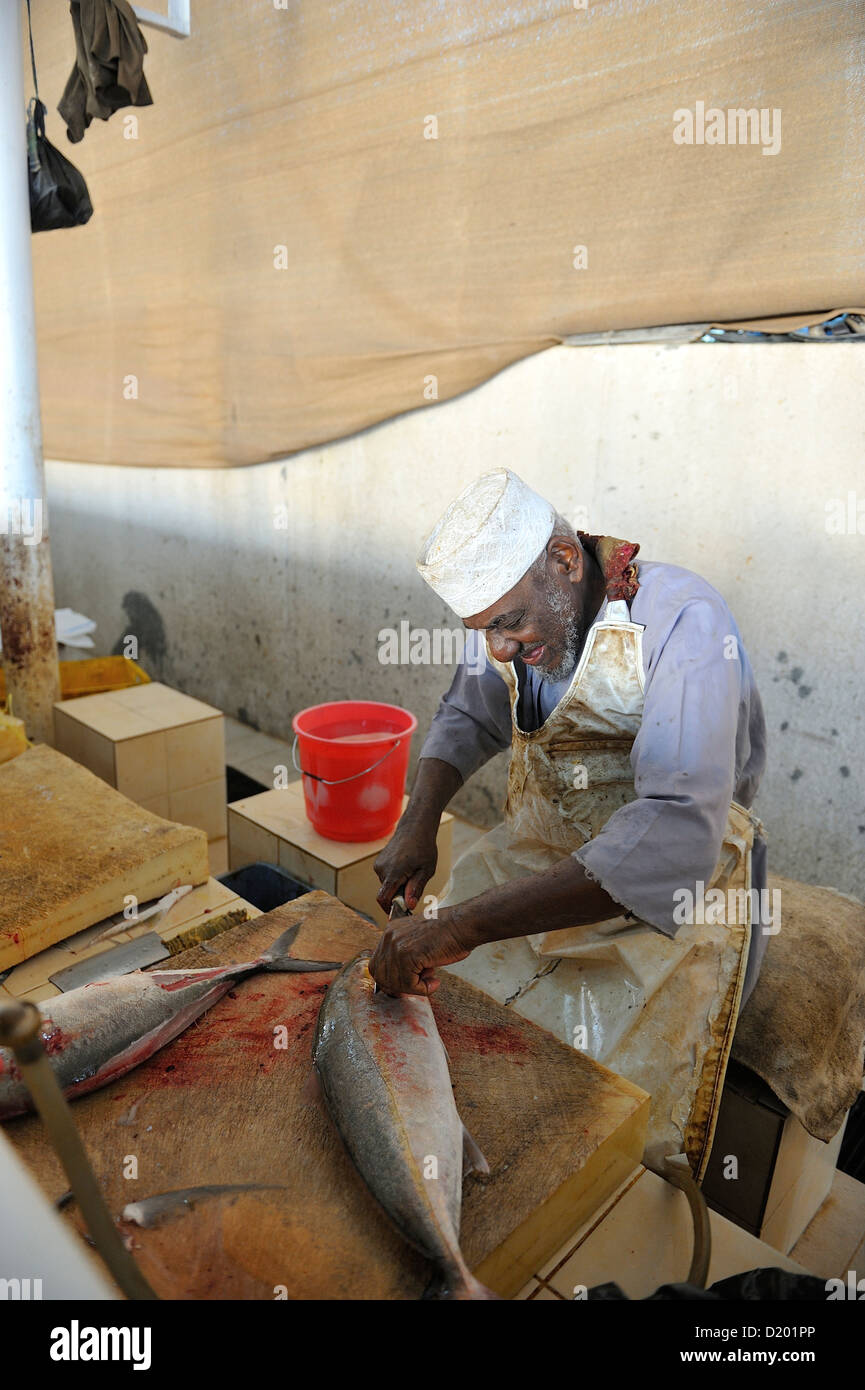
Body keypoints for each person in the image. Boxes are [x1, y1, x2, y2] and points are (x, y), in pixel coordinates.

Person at [370, 467, 768, 1176]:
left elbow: (675, 827)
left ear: (564, 560)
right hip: (538, 859)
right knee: (448, 1041)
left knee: (583, 1115)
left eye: (507, 624)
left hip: (668, 897)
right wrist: (418, 819)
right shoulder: (518, 611)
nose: (496, 647)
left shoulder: (686, 623)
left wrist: (457, 926)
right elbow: (468, 712)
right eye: (480, 629)